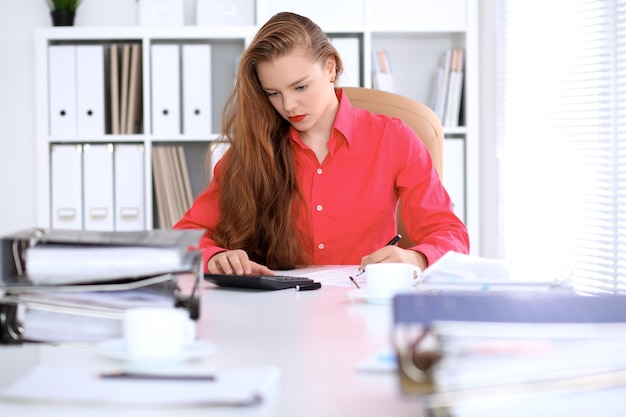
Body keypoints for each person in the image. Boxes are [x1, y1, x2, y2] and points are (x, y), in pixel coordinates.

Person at [174, 11, 469, 276]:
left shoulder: (393, 139)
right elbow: (185, 236)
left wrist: (416, 258)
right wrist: (215, 257)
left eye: (300, 86)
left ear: (330, 68)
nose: (289, 105)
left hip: (362, 305)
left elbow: (450, 233)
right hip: (279, 312)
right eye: (273, 93)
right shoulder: (253, 150)